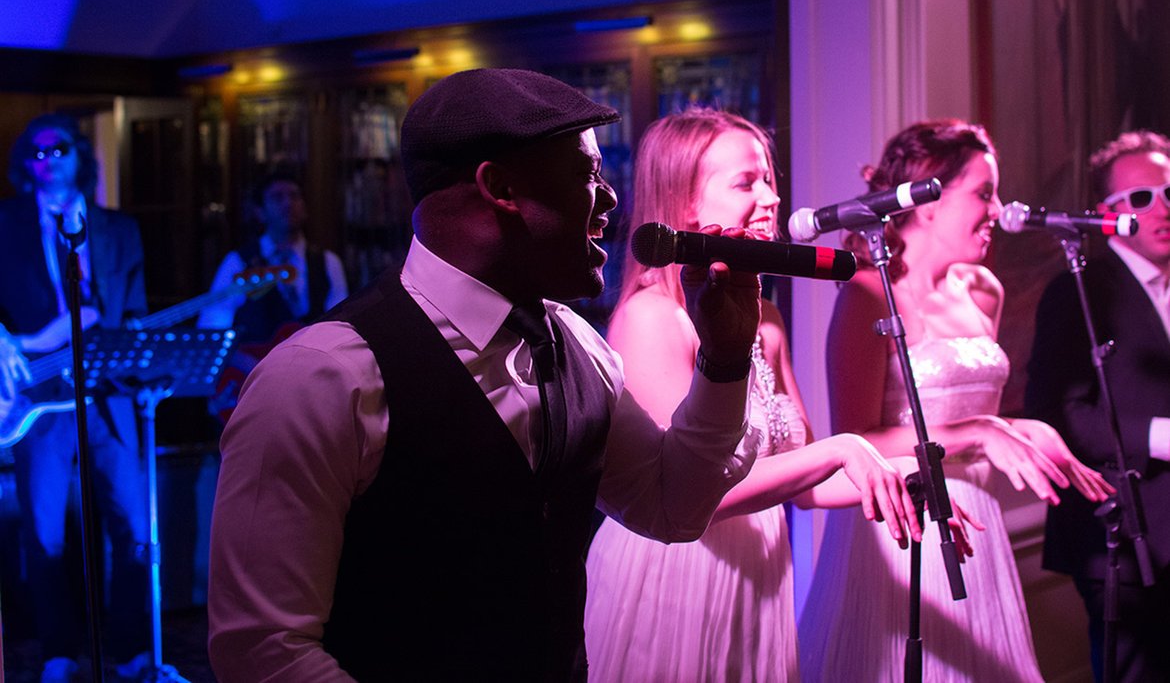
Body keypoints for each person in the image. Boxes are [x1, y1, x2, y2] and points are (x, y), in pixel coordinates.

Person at [207, 68, 766, 681]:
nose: (610, 199)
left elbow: (672, 506)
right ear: (500, 187)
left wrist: (724, 358)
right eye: (587, 174)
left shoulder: (577, 344)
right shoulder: (321, 376)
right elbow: (262, 650)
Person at [582, 108, 931, 681]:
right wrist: (842, 448)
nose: (771, 198)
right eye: (746, 183)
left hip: (760, 582)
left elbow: (809, 486)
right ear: (683, 202)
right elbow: (694, 496)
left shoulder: (765, 319)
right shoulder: (652, 317)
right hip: (676, 579)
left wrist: (913, 477)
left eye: (769, 179)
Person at [798, 119, 1113, 682]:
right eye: (984, 193)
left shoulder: (982, 290)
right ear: (929, 201)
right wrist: (980, 432)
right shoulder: (869, 293)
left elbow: (968, 411)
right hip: (903, 529)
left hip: (978, 522)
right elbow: (855, 440)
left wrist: (1025, 430)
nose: (997, 210)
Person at [0, 114, 154, 681]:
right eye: (37, 152)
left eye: (59, 148)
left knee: (134, 527)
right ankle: (58, 653)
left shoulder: (118, 230)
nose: (49, 159)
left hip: (108, 395)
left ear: (80, 156)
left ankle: (130, 649)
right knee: (44, 535)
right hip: (38, 400)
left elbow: (133, 309)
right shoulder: (6, 224)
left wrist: (139, 359)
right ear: (25, 164)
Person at [1026, 130, 1170, 682]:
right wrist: (1159, 435)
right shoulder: (1077, 291)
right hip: (1124, 537)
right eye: (1141, 198)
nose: (1161, 208)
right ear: (1105, 214)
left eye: (1169, 193)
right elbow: (1056, 415)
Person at [197, 168, 348, 343]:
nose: (288, 204)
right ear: (259, 211)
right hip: (255, 359)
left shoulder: (328, 261)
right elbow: (212, 325)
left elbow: (340, 326)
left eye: (294, 196)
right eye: (277, 197)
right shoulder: (238, 262)